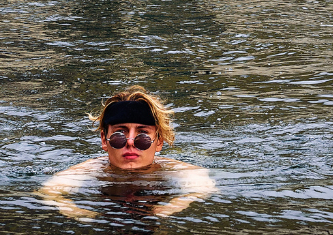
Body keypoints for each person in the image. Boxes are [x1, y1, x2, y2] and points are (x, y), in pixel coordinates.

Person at [37, 89, 215, 220]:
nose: (130, 141)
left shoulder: (173, 170)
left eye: (142, 134)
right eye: (119, 134)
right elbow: (48, 192)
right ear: (104, 140)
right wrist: (84, 215)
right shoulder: (90, 170)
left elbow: (204, 188)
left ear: (159, 141)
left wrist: (165, 210)